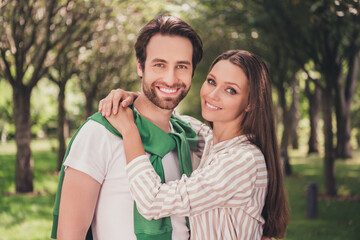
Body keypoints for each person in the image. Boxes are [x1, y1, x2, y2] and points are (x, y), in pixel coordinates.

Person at [103, 50, 290, 239]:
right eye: (211, 81)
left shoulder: (240, 161)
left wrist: (129, 131)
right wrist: (136, 98)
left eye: (230, 90)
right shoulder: (215, 141)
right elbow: (175, 120)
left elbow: (152, 201)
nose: (213, 95)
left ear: (250, 102)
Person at [51, 14, 203, 240]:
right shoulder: (99, 133)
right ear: (140, 67)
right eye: (159, 64)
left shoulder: (189, 139)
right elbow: (69, 235)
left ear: (191, 72)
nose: (170, 79)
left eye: (181, 66)